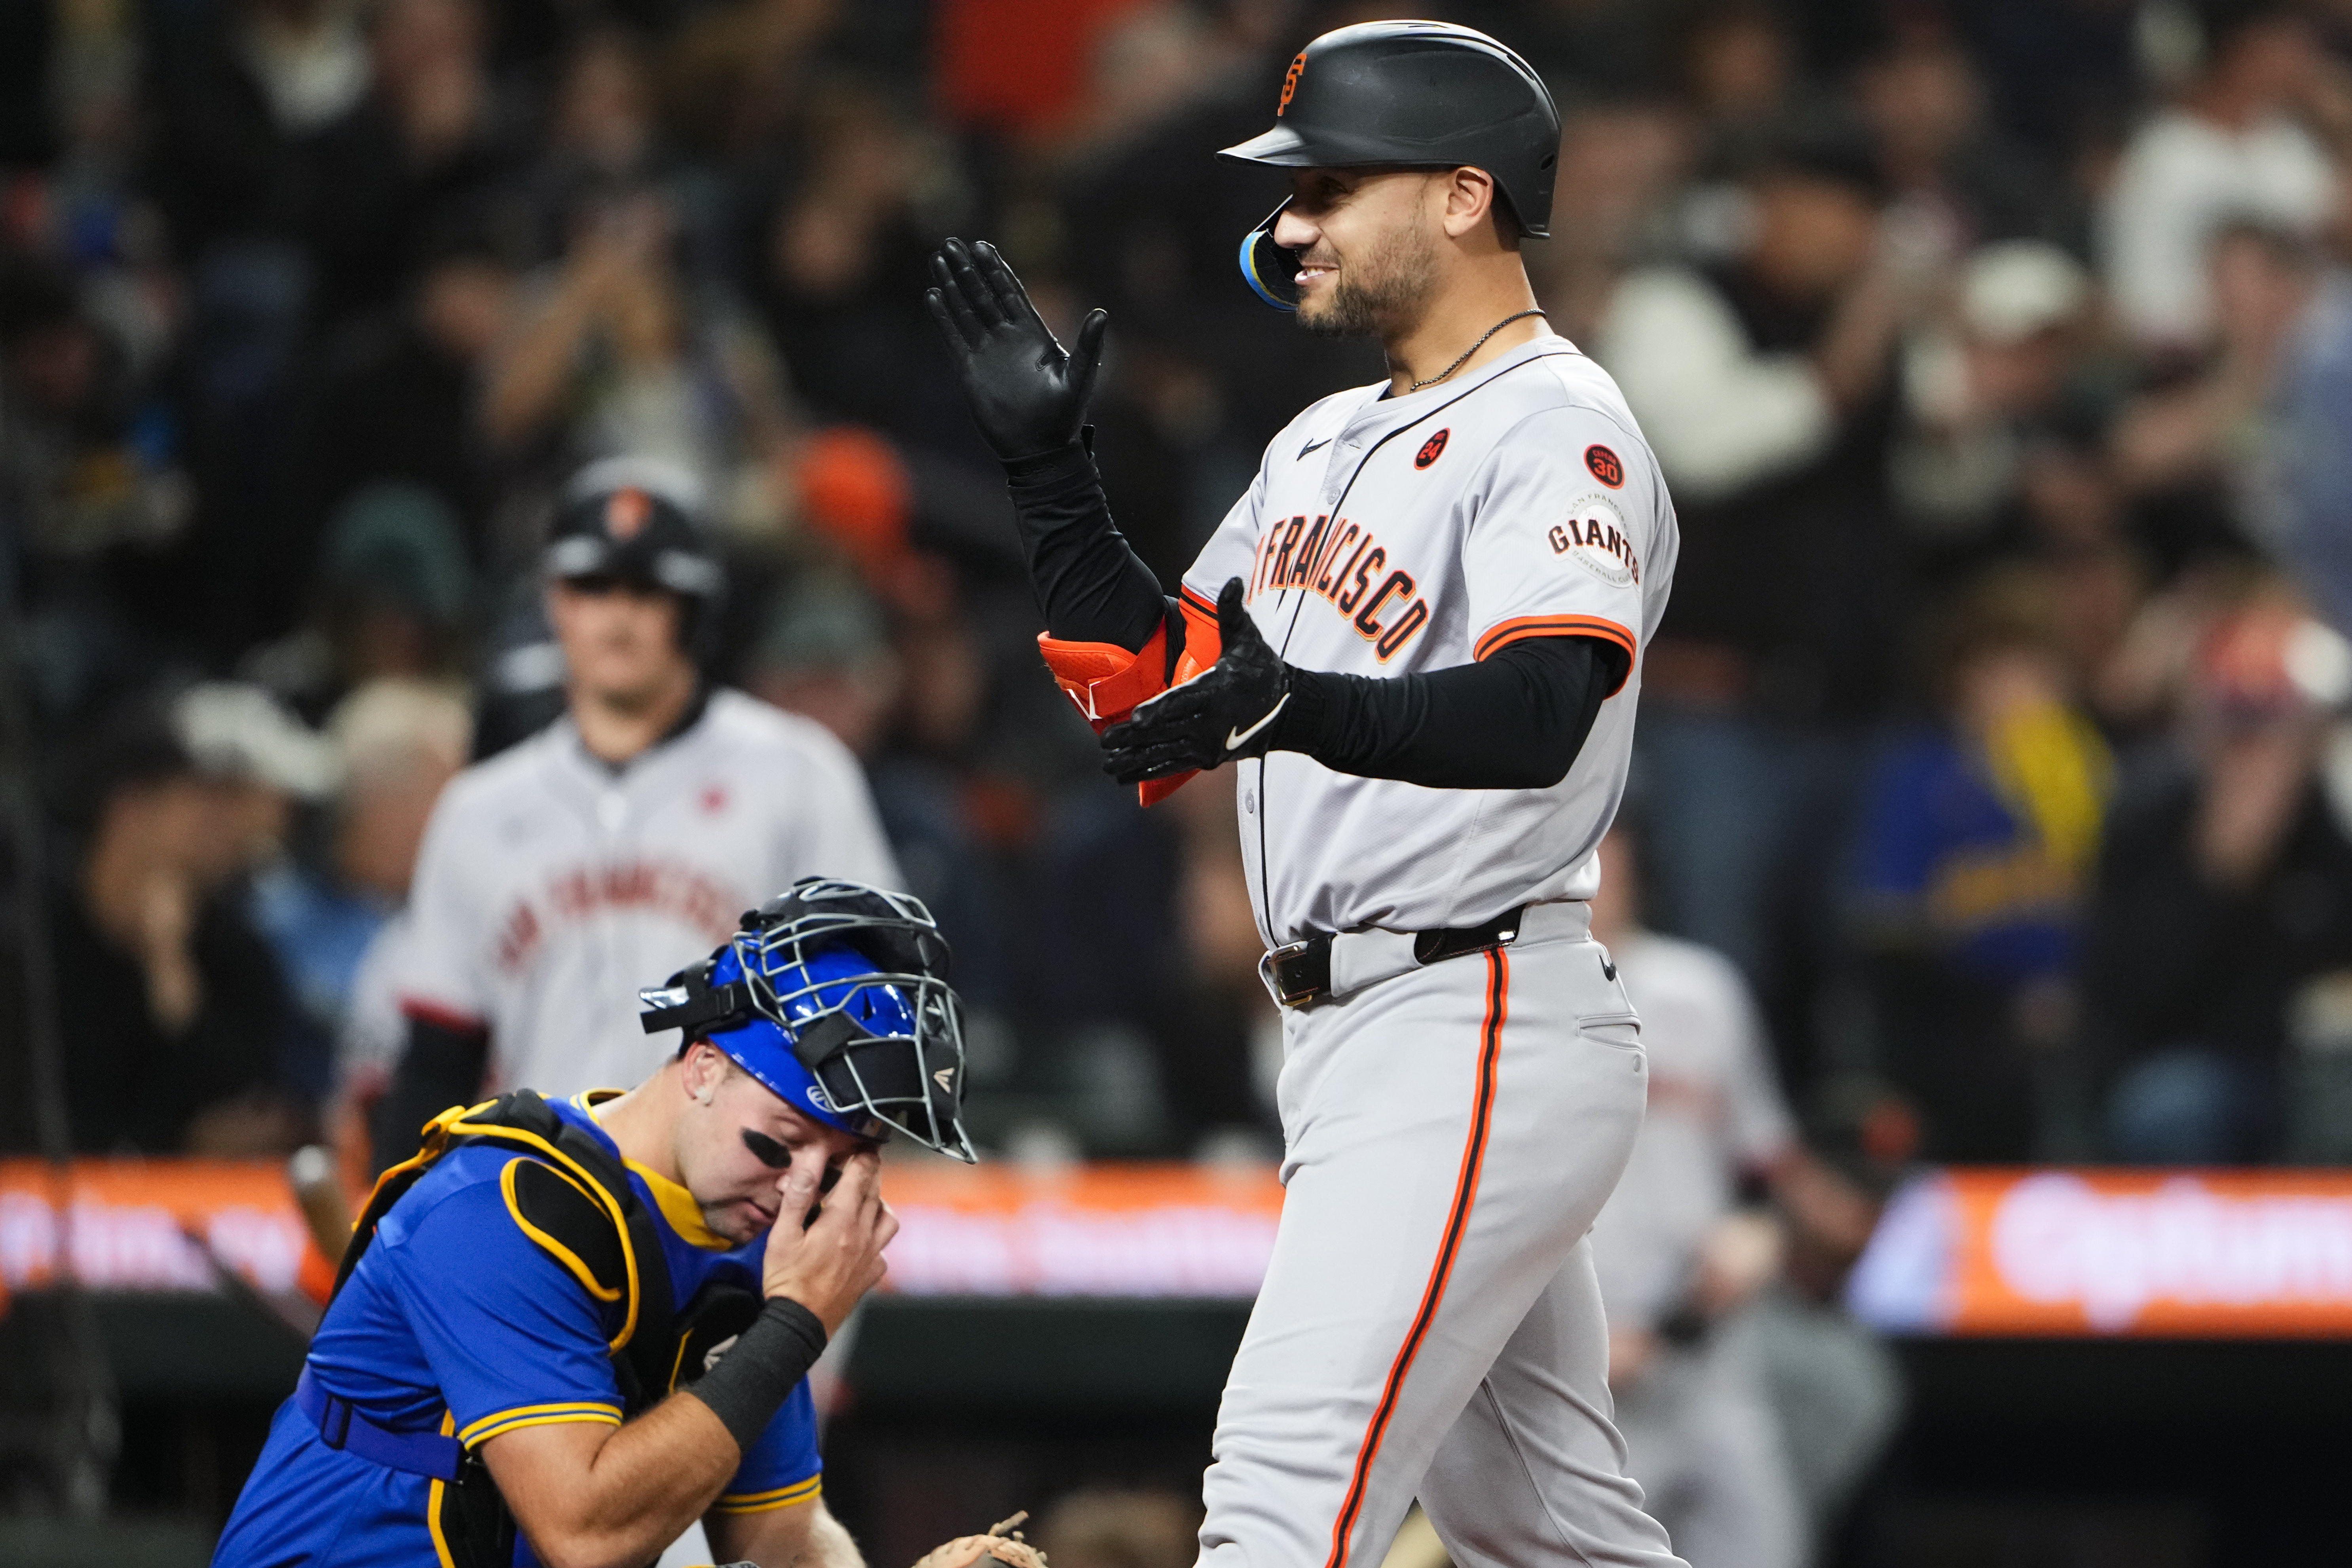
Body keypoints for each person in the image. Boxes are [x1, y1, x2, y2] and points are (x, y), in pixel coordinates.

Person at [926, 21, 1682, 1567]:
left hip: (1470, 1011)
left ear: (1463, 197)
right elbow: (1153, 704)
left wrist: (1297, 701)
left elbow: (1544, 709)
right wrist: (1054, 483)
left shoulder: (1558, 423)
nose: (1289, 226)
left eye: (1332, 187)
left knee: (1281, 1496)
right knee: (1553, 1537)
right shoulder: (1323, 437)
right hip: (1352, 1034)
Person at [212, 879, 974, 1567]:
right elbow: (585, 1538)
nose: (801, 1186)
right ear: (704, 1067)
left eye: (841, 1166)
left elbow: (777, 1544)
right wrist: (797, 1324)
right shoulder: (496, 1208)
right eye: (781, 1140)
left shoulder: (752, 1242)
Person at [372, 456, 900, 1170]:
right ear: (555, 601)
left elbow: (864, 1023)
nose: (618, 614)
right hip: (535, 1210)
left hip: (743, 1206)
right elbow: (439, 1059)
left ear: (693, 609)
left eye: (647, 589)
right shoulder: (479, 808)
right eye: (594, 586)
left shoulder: (798, 775)